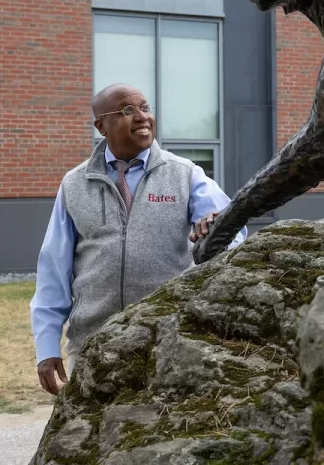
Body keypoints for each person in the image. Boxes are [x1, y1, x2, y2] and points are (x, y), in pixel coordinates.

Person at [30, 83, 247, 395]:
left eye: (145, 108)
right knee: (91, 440)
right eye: (127, 110)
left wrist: (216, 230)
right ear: (101, 126)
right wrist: (46, 346)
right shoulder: (74, 184)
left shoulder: (184, 174)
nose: (142, 117)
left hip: (170, 340)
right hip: (93, 343)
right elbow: (53, 270)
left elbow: (232, 233)